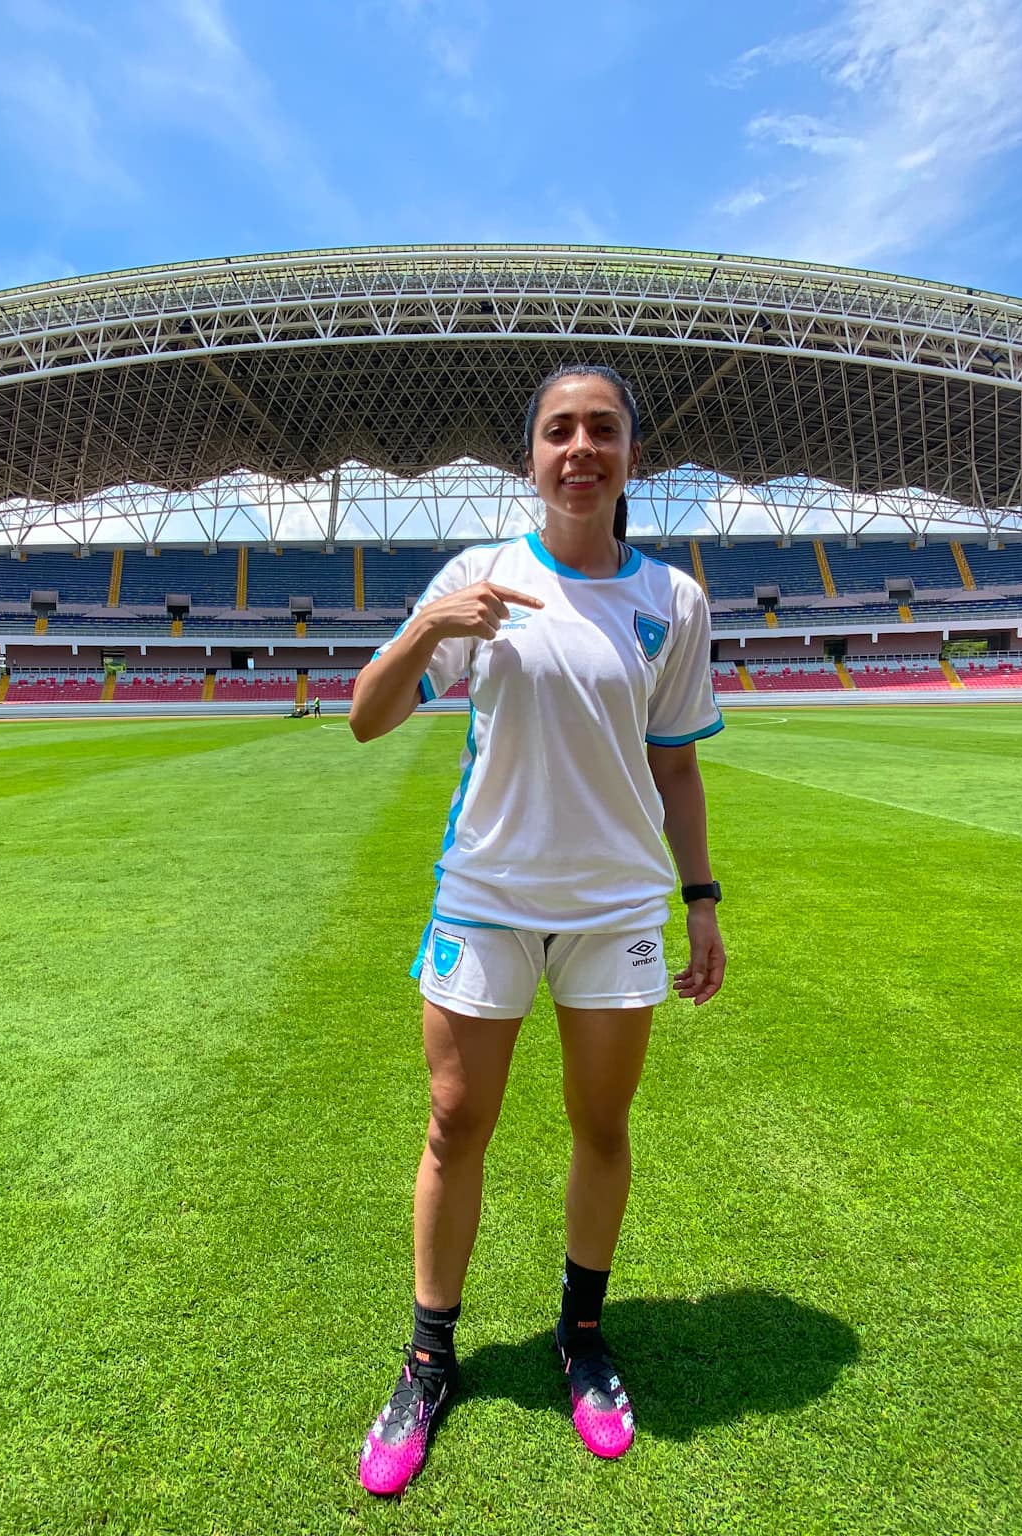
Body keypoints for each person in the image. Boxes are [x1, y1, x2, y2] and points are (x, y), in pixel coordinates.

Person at [347, 363, 726, 1496]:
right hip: (487, 898)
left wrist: (700, 900)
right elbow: (367, 719)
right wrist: (427, 627)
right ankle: (427, 1357)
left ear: (627, 456)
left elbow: (677, 768)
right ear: (531, 458)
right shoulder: (479, 580)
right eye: (558, 430)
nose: (579, 448)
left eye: (599, 430)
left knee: (598, 1126)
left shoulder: (673, 601)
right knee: (454, 1123)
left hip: (613, 907)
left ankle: (581, 1335)